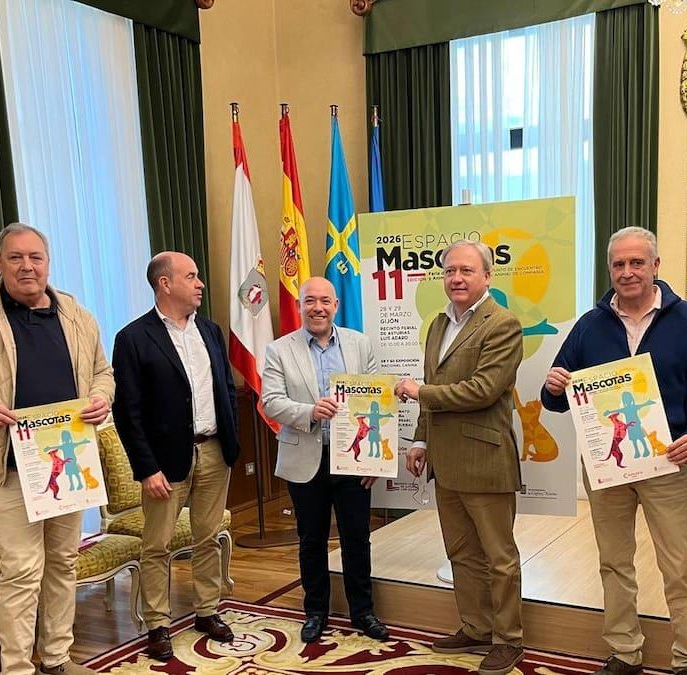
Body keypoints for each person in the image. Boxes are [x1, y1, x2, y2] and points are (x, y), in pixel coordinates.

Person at [540, 226, 687, 675]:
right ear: (610, 269)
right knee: (614, 562)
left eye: (637, 262)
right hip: (608, 466)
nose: (627, 272)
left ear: (655, 266)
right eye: (618, 264)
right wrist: (553, 386)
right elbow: (556, 397)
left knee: (680, 567)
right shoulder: (589, 325)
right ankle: (625, 652)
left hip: (668, 462)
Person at [0, 222, 113, 675]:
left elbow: (102, 372)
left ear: (47, 263)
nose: (27, 266)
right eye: (15, 257)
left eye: (35, 257)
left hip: (67, 460)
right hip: (6, 468)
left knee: (63, 562)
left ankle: (56, 658)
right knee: (20, 571)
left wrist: (101, 398)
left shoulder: (78, 316)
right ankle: (17, 668)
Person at [396, 240, 525, 675]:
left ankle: (508, 639)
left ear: (487, 276)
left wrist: (420, 392)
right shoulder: (437, 324)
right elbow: (431, 384)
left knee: (499, 558)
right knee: (461, 553)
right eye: (450, 271)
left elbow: (483, 390)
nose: (456, 278)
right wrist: (420, 441)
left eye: (467, 271)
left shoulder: (503, 324)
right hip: (445, 461)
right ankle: (476, 627)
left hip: (485, 460)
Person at [111, 252, 240, 659]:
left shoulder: (211, 331)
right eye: (191, 276)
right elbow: (127, 412)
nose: (200, 283)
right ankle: (158, 624)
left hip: (215, 450)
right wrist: (146, 468)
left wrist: (232, 437)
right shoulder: (133, 338)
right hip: (165, 462)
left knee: (208, 537)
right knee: (157, 545)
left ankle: (207, 611)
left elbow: (225, 388)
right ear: (165, 284)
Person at [261, 277, 390, 643]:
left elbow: (376, 398)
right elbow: (270, 401)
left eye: (324, 301)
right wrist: (310, 411)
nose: (317, 308)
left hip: (352, 459)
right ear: (299, 306)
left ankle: (363, 612)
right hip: (306, 458)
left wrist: (373, 462)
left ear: (336, 305)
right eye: (309, 301)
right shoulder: (279, 350)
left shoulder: (359, 343)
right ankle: (315, 612)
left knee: (357, 538)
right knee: (311, 540)